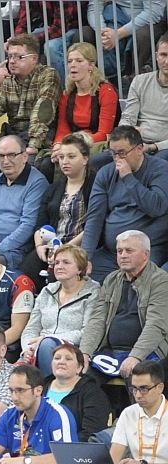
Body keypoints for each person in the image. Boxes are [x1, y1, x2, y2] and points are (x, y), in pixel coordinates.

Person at [81, 126, 168, 282]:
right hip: (112, 252)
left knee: (136, 285)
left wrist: (128, 178)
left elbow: (156, 207)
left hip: (147, 251)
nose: (117, 159)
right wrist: (85, 256)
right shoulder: (105, 173)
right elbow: (94, 218)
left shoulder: (160, 169)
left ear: (139, 149)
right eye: (113, 153)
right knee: (77, 275)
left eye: (122, 153)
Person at [80, 230, 168, 382]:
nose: (123, 255)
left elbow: (156, 325)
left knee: (138, 380)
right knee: (81, 379)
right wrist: (85, 352)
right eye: (119, 251)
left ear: (146, 255)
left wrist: (135, 356)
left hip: (148, 352)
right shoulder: (111, 279)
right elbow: (97, 320)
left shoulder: (161, 281)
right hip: (110, 353)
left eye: (129, 251)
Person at [0, 34, 60, 180]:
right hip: (12, 137)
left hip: (39, 138)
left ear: (34, 58)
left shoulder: (48, 75)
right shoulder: (7, 80)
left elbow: (43, 112)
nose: (12, 61)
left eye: (19, 57)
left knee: (27, 166)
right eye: (10, 57)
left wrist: (33, 146)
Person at [19, 133, 95, 290]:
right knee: (26, 273)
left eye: (71, 157)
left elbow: (93, 226)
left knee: (57, 277)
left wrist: (63, 249)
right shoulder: (53, 188)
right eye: (61, 157)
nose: (65, 161)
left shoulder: (94, 187)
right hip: (51, 245)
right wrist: (40, 246)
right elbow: (40, 223)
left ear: (85, 159)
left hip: (77, 246)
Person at [0, 135, 50, 270]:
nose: (6, 161)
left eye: (12, 155)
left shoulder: (37, 183)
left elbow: (27, 226)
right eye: (1, 156)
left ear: (25, 156)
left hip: (15, 249)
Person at [20, 244, 100, 375]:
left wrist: (49, 339)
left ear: (80, 268)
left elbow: (87, 331)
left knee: (47, 345)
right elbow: (31, 328)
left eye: (66, 262)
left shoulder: (93, 292)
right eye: (57, 263)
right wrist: (27, 350)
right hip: (38, 348)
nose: (59, 266)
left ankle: (52, 387)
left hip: (73, 351)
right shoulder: (47, 291)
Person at [0, 364, 76, 464]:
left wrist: (24, 461)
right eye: (11, 391)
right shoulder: (9, 415)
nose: (14, 397)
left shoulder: (57, 414)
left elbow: (66, 457)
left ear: (38, 390)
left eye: (20, 390)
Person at [43, 42, 118, 179]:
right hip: (72, 143)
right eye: (70, 61)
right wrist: (59, 145)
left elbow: (104, 132)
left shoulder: (106, 91)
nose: (73, 65)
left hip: (97, 143)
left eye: (79, 61)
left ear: (91, 65)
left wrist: (73, 146)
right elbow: (63, 128)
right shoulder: (67, 95)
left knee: (77, 161)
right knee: (47, 163)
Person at [101, 35, 168, 167]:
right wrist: (129, 130)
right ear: (156, 56)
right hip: (135, 143)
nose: (166, 61)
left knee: (152, 165)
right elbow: (127, 118)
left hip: (163, 147)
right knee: (93, 163)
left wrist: (153, 146)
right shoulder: (140, 81)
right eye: (163, 55)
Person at [42, 342, 113, 443]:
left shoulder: (93, 393)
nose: (61, 362)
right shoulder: (40, 388)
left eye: (68, 359)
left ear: (79, 367)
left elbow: (91, 432)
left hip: (73, 448)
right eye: (57, 358)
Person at [112, 361, 168, 464]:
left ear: (160, 388)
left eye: (144, 389)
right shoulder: (128, 413)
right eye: (134, 389)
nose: (137, 395)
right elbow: (113, 460)